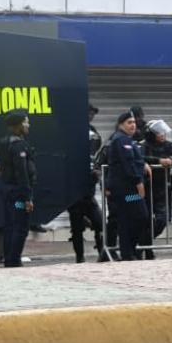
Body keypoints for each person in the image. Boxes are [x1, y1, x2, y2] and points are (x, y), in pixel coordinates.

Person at [105, 111, 149, 261]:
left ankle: (129, 251)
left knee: (132, 218)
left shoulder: (127, 140)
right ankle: (128, 252)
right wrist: (138, 182)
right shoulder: (121, 140)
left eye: (134, 122)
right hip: (126, 189)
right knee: (137, 216)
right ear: (120, 125)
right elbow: (128, 163)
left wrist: (144, 164)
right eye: (129, 122)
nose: (133, 125)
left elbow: (136, 160)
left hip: (126, 189)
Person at [0, 109, 36, 267]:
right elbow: (22, 173)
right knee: (20, 227)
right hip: (18, 194)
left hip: (7, 190)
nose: (28, 125)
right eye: (26, 122)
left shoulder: (2, 143)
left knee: (10, 226)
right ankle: (13, 261)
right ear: (18, 125)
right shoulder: (18, 145)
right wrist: (27, 199)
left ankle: (9, 259)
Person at [67, 103, 107, 263]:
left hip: (89, 191)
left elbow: (97, 155)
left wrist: (96, 172)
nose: (91, 116)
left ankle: (102, 253)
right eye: (89, 113)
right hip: (74, 191)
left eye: (92, 114)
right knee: (77, 228)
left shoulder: (94, 133)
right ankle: (80, 258)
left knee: (99, 223)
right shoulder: (72, 131)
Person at [142, 119, 172, 257]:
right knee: (144, 219)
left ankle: (144, 241)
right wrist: (158, 161)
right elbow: (140, 158)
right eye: (159, 132)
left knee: (162, 219)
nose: (162, 134)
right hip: (144, 189)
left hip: (162, 188)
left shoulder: (169, 146)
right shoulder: (143, 146)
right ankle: (146, 249)